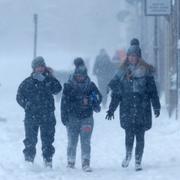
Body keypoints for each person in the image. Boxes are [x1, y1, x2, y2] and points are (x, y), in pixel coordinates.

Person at [106, 45, 161, 171]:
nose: (132, 58)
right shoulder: (122, 73)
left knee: (140, 136)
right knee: (129, 135)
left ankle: (138, 160)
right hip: (127, 108)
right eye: (130, 56)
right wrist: (111, 109)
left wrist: (156, 106)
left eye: (134, 56)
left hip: (142, 108)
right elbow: (117, 94)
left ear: (138, 57)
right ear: (127, 57)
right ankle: (128, 154)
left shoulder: (146, 73)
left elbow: (152, 91)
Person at [16, 56, 62, 168]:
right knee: (30, 140)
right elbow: (19, 96)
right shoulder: (27, 82)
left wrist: (47, 80)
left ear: (44, 67)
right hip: (31, 116)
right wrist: (26, 105)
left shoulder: (50, 80)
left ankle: (48, 160)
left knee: (48, 140)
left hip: (48, 115)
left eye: (41, 66)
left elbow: (57, 89)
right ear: (33, 68)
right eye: (37, 67)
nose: (40, 69)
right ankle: (29, 161)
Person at [61, 57, 102, 172]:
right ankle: (71, 161)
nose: (80, 78)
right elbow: (64, 102)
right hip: (72, 118)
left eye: (82, 76)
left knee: (85, 141)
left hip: (87, 118)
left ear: (86, 76)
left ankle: (85, 161)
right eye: (78, 76)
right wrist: (63, 115)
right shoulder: (69, 86)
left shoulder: (91, 86)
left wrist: (94, 99)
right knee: (72, 141)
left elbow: (99, 97)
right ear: (75, 75)